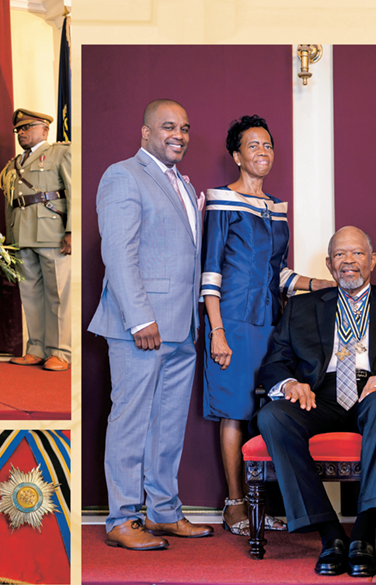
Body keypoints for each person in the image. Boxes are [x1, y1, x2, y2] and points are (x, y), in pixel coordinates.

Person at [255, 226, 376, 578]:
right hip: (320, 395)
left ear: (372, 260)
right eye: (340, 255)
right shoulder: (300, 307)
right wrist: (291, 383)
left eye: (357, 253)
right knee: (272, 416)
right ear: (329, 264)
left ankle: (363, 534)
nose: (348, 261)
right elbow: (273, 363)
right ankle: (330, 535)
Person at [200, 114, 334, 536]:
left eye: (268, 145)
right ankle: (236, 505)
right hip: (233, 323)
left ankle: (267, 505)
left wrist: (322, 284)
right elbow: (210, 273)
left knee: (268, 412)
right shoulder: (221, 201)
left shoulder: (277, 209)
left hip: (271, 324)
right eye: (253, 146)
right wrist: (217, 331)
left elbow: (279, 274)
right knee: (234, 413)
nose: (262, 152)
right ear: (236, 155)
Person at [88, 99, 213, 551]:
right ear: (145, 133)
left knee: (167, 423)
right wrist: (141, 317)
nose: (178, 134)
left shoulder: (181, 181)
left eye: (183, 127)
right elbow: (119, 254)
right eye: (167, 127)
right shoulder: (123, 175)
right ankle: (122, 518)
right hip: (140, 325)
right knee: (131, 420)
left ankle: (162, 511)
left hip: (182, 327)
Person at [0, 108, 71, 372]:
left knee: (58, 295)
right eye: (19, 129)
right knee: (30, 294)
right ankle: (36, 348)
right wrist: (10, 237)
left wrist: (71, 231)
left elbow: (73, 192)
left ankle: (61, 351)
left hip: (52, 232)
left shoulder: (62, 153)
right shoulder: (16, 162)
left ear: (45, 129)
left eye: (27, 128)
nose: (22, 133)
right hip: (23, 233)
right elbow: (12, 202)